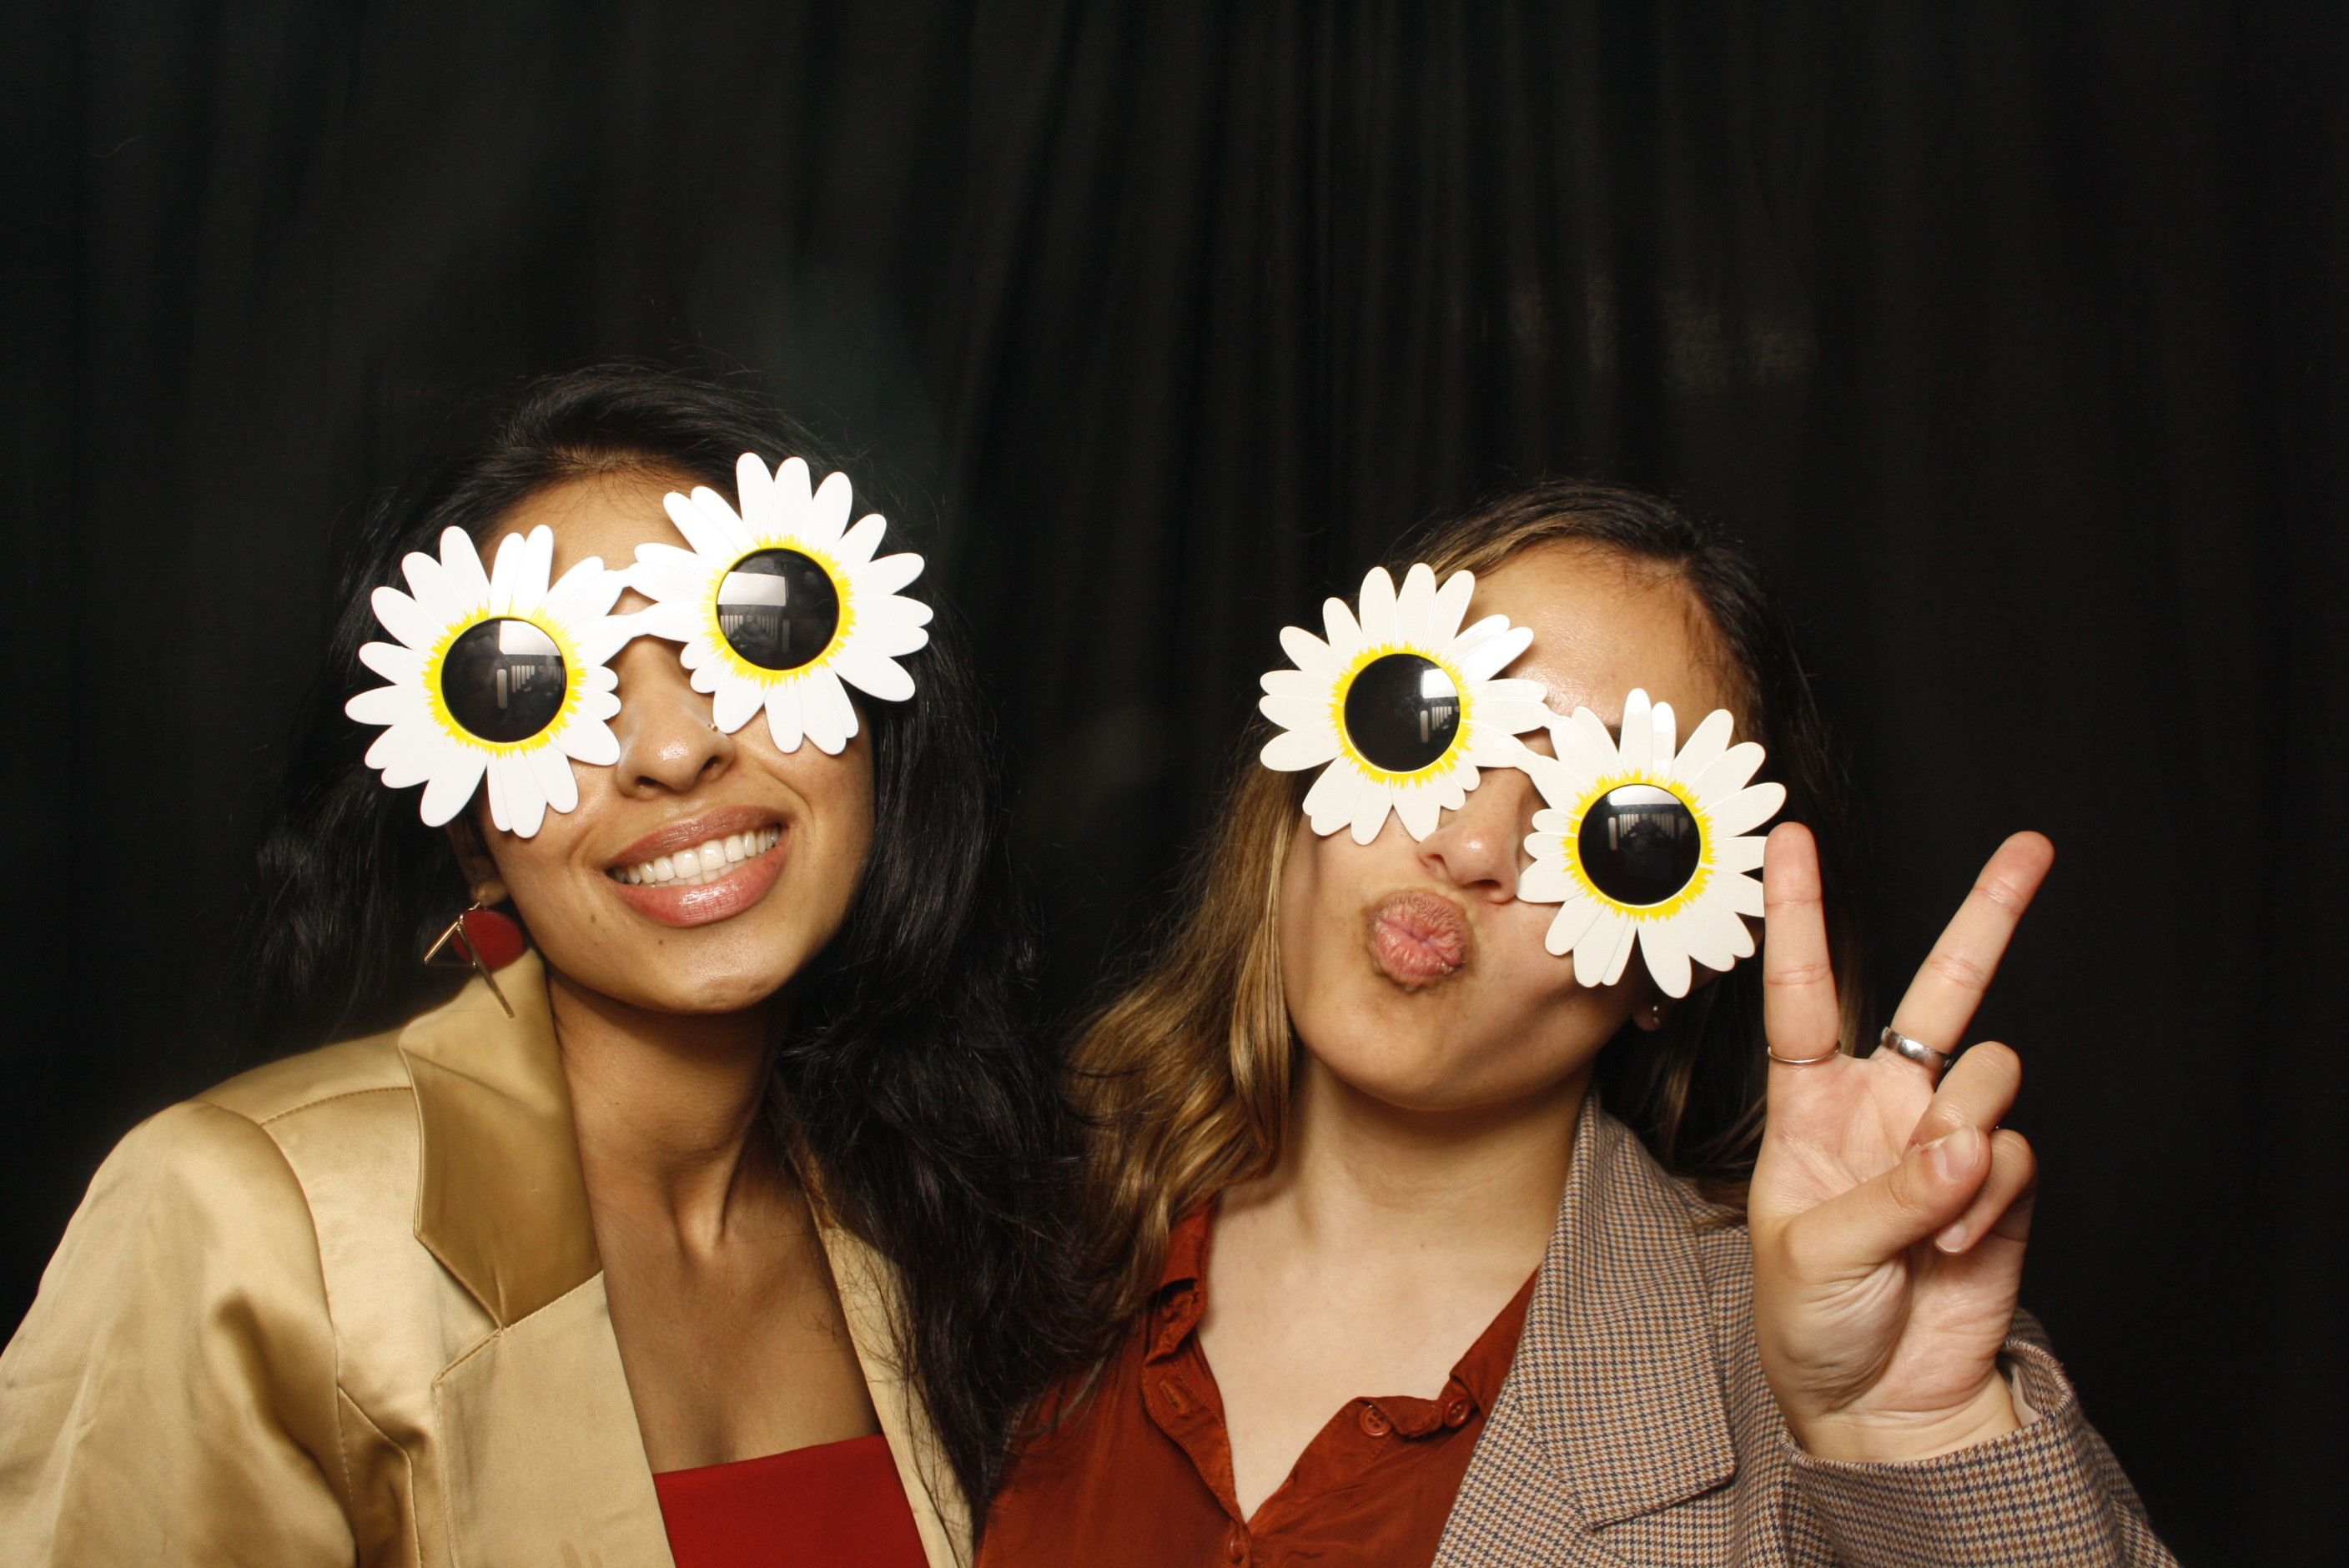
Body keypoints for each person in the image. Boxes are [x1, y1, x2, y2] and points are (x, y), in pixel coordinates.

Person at [0, 367, 1084, 1568]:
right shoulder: (246, 1220)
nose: (672, 751)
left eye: (751, 635)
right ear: (476, 834)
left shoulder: (936, 1228)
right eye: (543, 691)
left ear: (875, 721)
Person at [983, 481, 2175, 1565]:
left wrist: (1919, 1441)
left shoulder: (1796, 1383)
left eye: (1615, 833)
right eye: (1424, 724)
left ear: (1680, 962)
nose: (1474, 846)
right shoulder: (985, 1234)